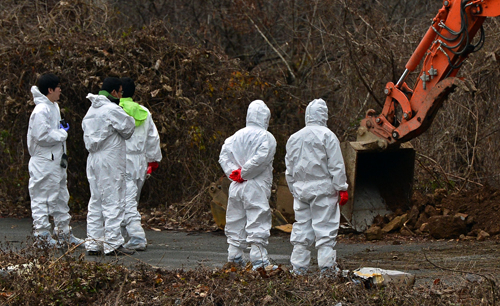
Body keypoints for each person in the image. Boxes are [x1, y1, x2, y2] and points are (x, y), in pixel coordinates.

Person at [284, 98, 349, 275]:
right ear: (324, 115)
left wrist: (294, 189)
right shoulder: (327, 135)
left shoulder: (294, 138)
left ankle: (298, 268)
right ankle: (327, 268)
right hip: (323, 191)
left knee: (301, 228)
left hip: (301, 191)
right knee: (325, 229)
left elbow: (289, 169)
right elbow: (336, 165)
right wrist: (341, 187)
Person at [27, 73, 84, 248]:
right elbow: (42, 135)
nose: (60, 90)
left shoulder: (53, 106)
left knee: (60, 196)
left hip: (55, 161)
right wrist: (62, 133)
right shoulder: (41, 110)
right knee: (42, 197)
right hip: (44, 161)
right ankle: (42, 236)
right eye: (58, 87)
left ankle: (64, 234)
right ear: (50, 90)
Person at [218, 100, 277, 270]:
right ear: (265, 117)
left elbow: (224, 157)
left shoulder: (234, 137)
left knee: (236, 220)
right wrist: (244, 173)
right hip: (255, 185)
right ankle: (259, 261)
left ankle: (234, 257)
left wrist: (234, 173)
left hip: (236, 186)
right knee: (257, 219)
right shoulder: (267, 137)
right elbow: (261, 158)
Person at [82, 77, 136, 256]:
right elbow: (128, 129)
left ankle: (93, 243)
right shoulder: (112, 109)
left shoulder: (91, 111)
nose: (121, 95)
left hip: (93, 159)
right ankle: (113, 244)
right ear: (114, 92)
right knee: (113, 199)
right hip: (110, 159)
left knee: (96, 200)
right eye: (120, 92)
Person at [119, 77, 162, 251]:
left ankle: (136, 236)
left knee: (124, 201)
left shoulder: (115, 110)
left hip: (122, 159)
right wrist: (154, 159)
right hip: (140, 161)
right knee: (131, 200)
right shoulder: (144, 111)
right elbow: (153, 138)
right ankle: (122, 235)